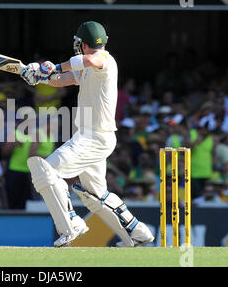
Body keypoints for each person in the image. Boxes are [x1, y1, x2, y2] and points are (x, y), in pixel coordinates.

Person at [20, 21, 153, 247]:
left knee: (46, 171)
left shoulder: (104, 60)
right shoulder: (87, 68)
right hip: (91, 137)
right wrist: (36, 74)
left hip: (94, 137)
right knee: (94, 195)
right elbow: (62, 79)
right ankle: (138, 233)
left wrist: (53, 67)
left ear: (82, 43)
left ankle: (71, 223)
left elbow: (89, 60)